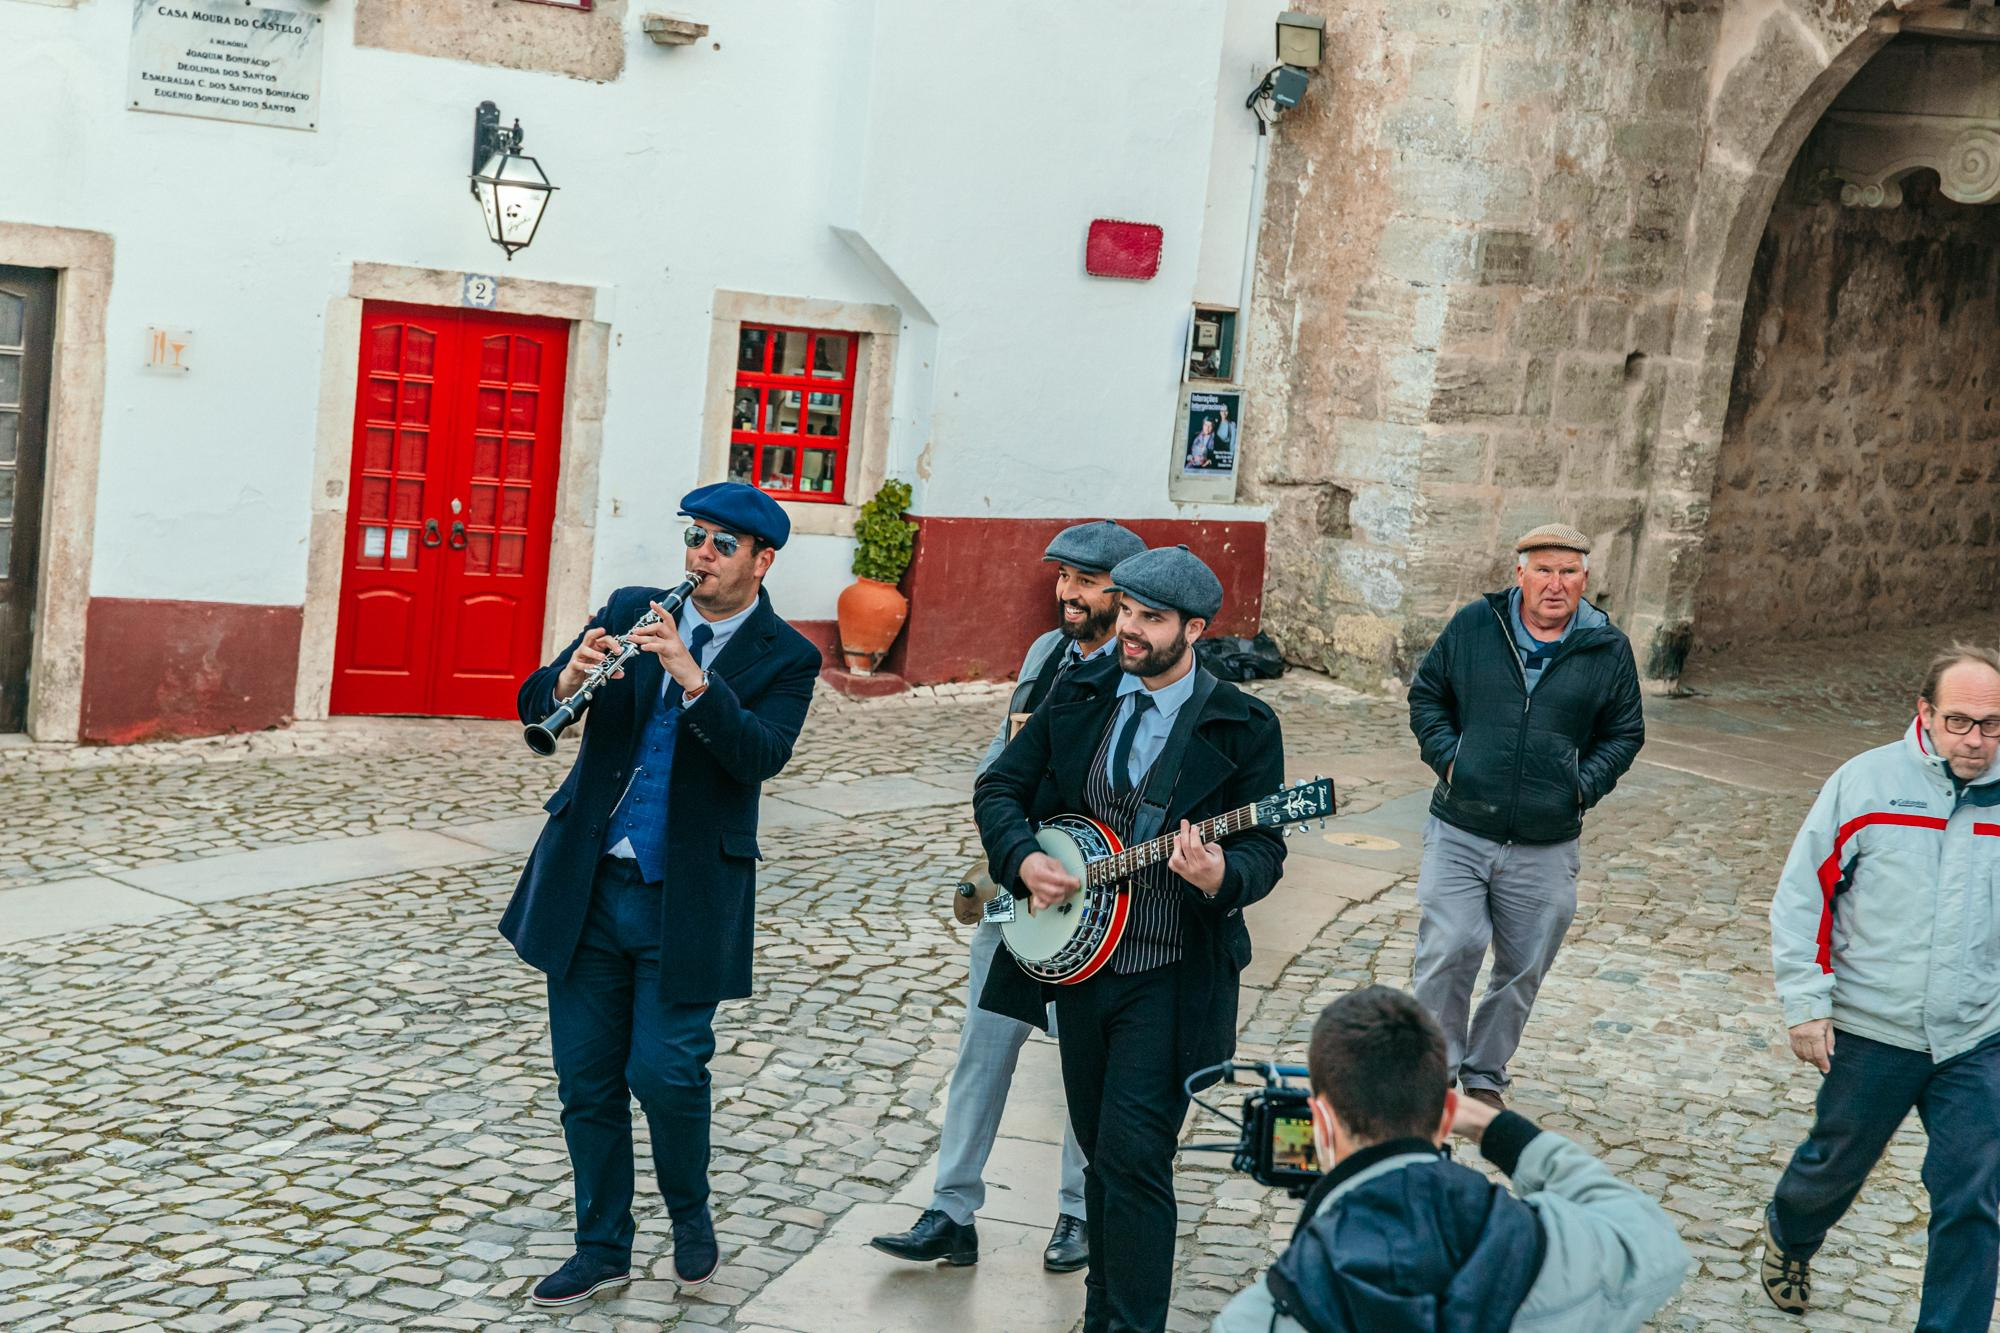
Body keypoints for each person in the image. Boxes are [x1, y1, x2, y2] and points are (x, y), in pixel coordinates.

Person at [502, 481, 822, 1310]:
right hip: (588, 881)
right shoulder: (632, 604)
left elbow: (761, 756)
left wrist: (692, 676)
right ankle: (601, 1247)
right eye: (695, 537)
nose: (700, 558)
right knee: (586, 1080)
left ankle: (690, 1213)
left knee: (667, 1069)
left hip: (688, 896)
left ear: (763, 560)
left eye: (721, 545)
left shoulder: (788, 654)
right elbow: (538, 709)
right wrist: (564, 676)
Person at [976, 544, 1287, 1333]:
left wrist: (1221, 875)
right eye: (1129, 610)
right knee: (1099, 1147)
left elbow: (1265, 848)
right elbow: (1002, 785)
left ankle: (1133, 1324)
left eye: (1152, 618)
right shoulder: (1080, 690)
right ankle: (1100, 1314)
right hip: (1079, 967)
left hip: (1171, 972)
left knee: (1135, 1156)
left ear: (1196, 628)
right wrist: (1021, 856)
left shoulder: (1243, 724)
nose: (1131, 630)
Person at [871, 520, 1146, 1273]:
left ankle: (1076, 1211)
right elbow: (1002, 760)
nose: (1067, 593)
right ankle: (951, 1210)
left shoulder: (1135, 675)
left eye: (1085, 582)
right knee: (981, 1047)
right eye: (1064, 577)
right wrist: (1008, 856)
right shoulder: (1045, 654)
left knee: (1083, 1058)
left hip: (1091, 897)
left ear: (1125, 594)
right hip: (1020, 886)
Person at [1211, 986, 1688, 1332]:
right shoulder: (1550, 1251)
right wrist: (1492, 1127)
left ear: (1322, 1121)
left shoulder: (1266, 1313)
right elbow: (1653, 1241)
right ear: (1444, 1116)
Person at [1762, 645, 2000, 1328]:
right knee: (1832, 1167)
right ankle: (1791, 1230)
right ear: (1924, 712)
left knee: (1972, 1194)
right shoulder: (1865, 783)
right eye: (1959, 720)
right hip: (1873, 1028)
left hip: (1978, 1037)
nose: (1975, 738)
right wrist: (1806, 1003)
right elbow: (1806, 892)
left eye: (1991, 724)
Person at [1405, 523, 1644, 1108]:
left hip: (1546, 840)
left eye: (1568, 572)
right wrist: (1452, 760)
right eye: (1543, 570)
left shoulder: (1606, 647)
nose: (1555, 584)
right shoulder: (1474, 626)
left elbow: (1624, 731)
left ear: (1585, 580)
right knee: (1450, 947)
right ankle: (1432, 1075)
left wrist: (1579, 788)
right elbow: (1427, 695)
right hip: (1461, 827)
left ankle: (1485, 1074)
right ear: (1520, 574)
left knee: (1523, 966)